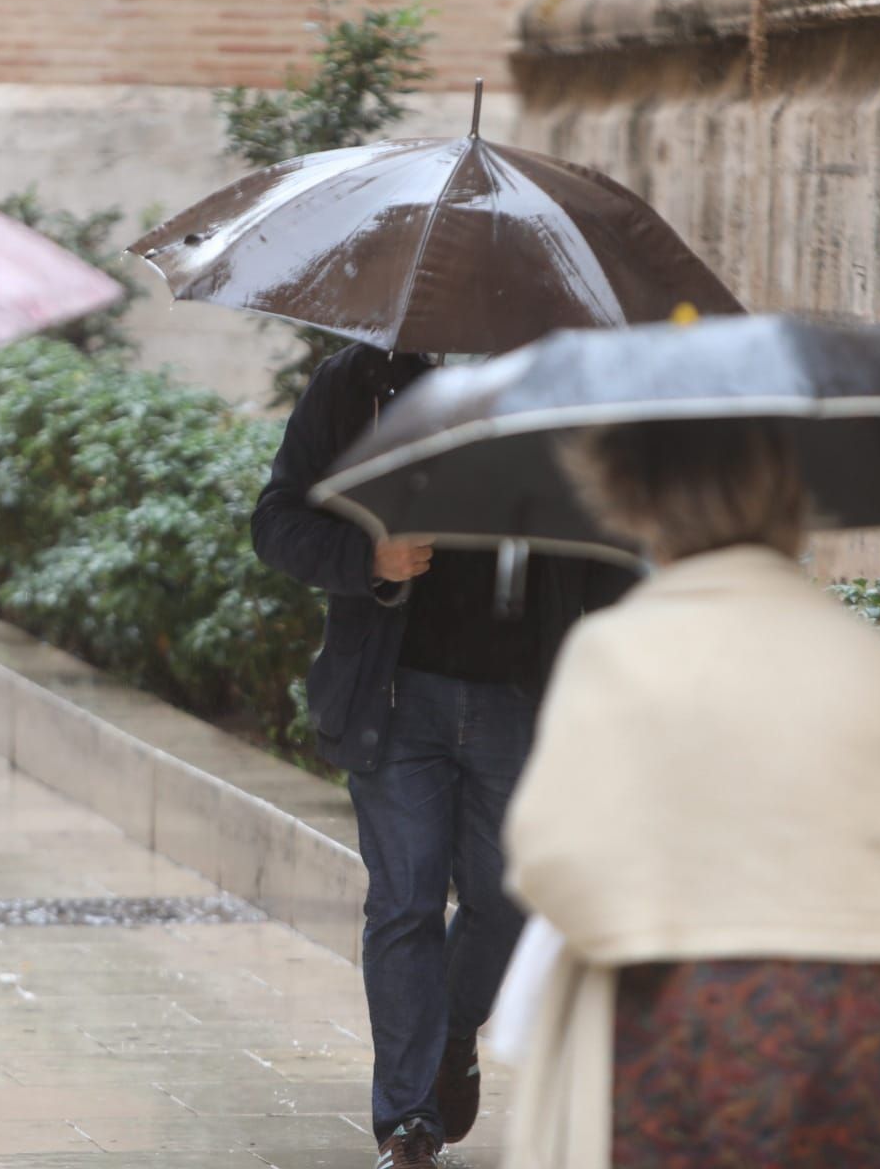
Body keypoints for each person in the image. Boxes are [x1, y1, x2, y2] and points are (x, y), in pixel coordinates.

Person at [498, 419, 880, 1169]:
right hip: (846, 1019)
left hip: (669, 1012)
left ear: (640, 501)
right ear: (789, 495)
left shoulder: (616, 650)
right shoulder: (862, 654)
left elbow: (554, 861)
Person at [252, 343, 632, 1169]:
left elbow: (615, 550)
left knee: (513, 899)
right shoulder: (359, 384)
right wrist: (370, 562)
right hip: (395, 697)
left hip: (520, 701)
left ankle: (449, 1029)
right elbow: (277, 521)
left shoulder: (566, 384)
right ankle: (408, 1122)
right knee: (405, 904)